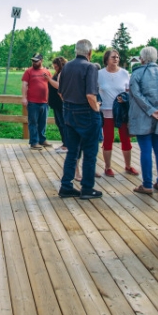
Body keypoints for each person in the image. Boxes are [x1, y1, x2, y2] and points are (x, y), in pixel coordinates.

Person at [128, 46, 158, 195]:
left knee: (146, 150)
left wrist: (152, 111)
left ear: (142, 58)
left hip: (143, 117)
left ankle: (147, 184)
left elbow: (136, 95)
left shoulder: (137, 74)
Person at [57, 39, 103, 200]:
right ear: (89, 53)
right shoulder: (90, 67)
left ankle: (66, 186)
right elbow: (90, 95)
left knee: (72, 151)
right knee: (90, 152)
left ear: (76, 51)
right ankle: (87, 188)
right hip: (86, 113)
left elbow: (60, 92)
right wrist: (96, 109)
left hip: (68, 112)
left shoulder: (67, 66)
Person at [98, 49, 137, 177]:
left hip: (121, 111)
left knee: (125, 138)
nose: (116, 59)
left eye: (118, 57)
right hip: (107, 111)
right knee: (108, 139)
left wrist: (124, 98)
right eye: (113, 57)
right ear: (107, 59)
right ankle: (107, 167)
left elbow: (130, 92)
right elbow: (94, 91)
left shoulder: (125, 73)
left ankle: (128, 165)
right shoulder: (100, 74)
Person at [22, 54, 53, 150]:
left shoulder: (47, 72)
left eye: (36, 61)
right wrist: (24, 97)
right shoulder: (28, 71)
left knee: (43, 122)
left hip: (44, 102)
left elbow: (51, 84)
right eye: (33, 61)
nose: (34, 62)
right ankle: (34, 142)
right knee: (33, 122)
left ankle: (42, 140)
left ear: (41, 60)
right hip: (32, 102)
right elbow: (24, 85)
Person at [45, 57, 68, 153]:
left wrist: (49, 79)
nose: (54, 67)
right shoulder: (57, 73)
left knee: (63, 124)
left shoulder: (63, 74)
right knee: (59, 123)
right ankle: (64, 143)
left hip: (60, 103)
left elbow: (59, 86)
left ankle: (67, 145)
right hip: (55, 103)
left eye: (56, 66)